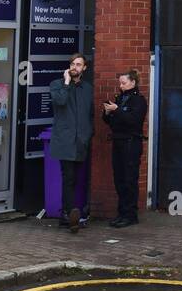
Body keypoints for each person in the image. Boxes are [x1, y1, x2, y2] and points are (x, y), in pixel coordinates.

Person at [48, 53, 94, 233]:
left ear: (84, 68)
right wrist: (66, 83)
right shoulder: (57, 85)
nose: (75, 67)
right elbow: (60, 101)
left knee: (76, 179)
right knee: (68, 178)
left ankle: (71, 214)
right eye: (73, 64)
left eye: (79, 64)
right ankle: (67, 213)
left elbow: (90, 114)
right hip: (65, 141)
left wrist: (88, 134)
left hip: (81, 140)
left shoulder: (88, 88)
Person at [102, 69, 148, 229]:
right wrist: (107, 113)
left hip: (131, 143)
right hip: (118, 141)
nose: (121, 86)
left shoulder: (139, 101)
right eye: (120, 83)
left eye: (124, 83)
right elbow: (111, 122)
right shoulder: (120, 98)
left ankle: (130, 214)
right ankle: (121, 213)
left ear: (133, 82)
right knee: (119, 179)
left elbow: (133, 120)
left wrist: (117, 110)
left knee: (129, 179)